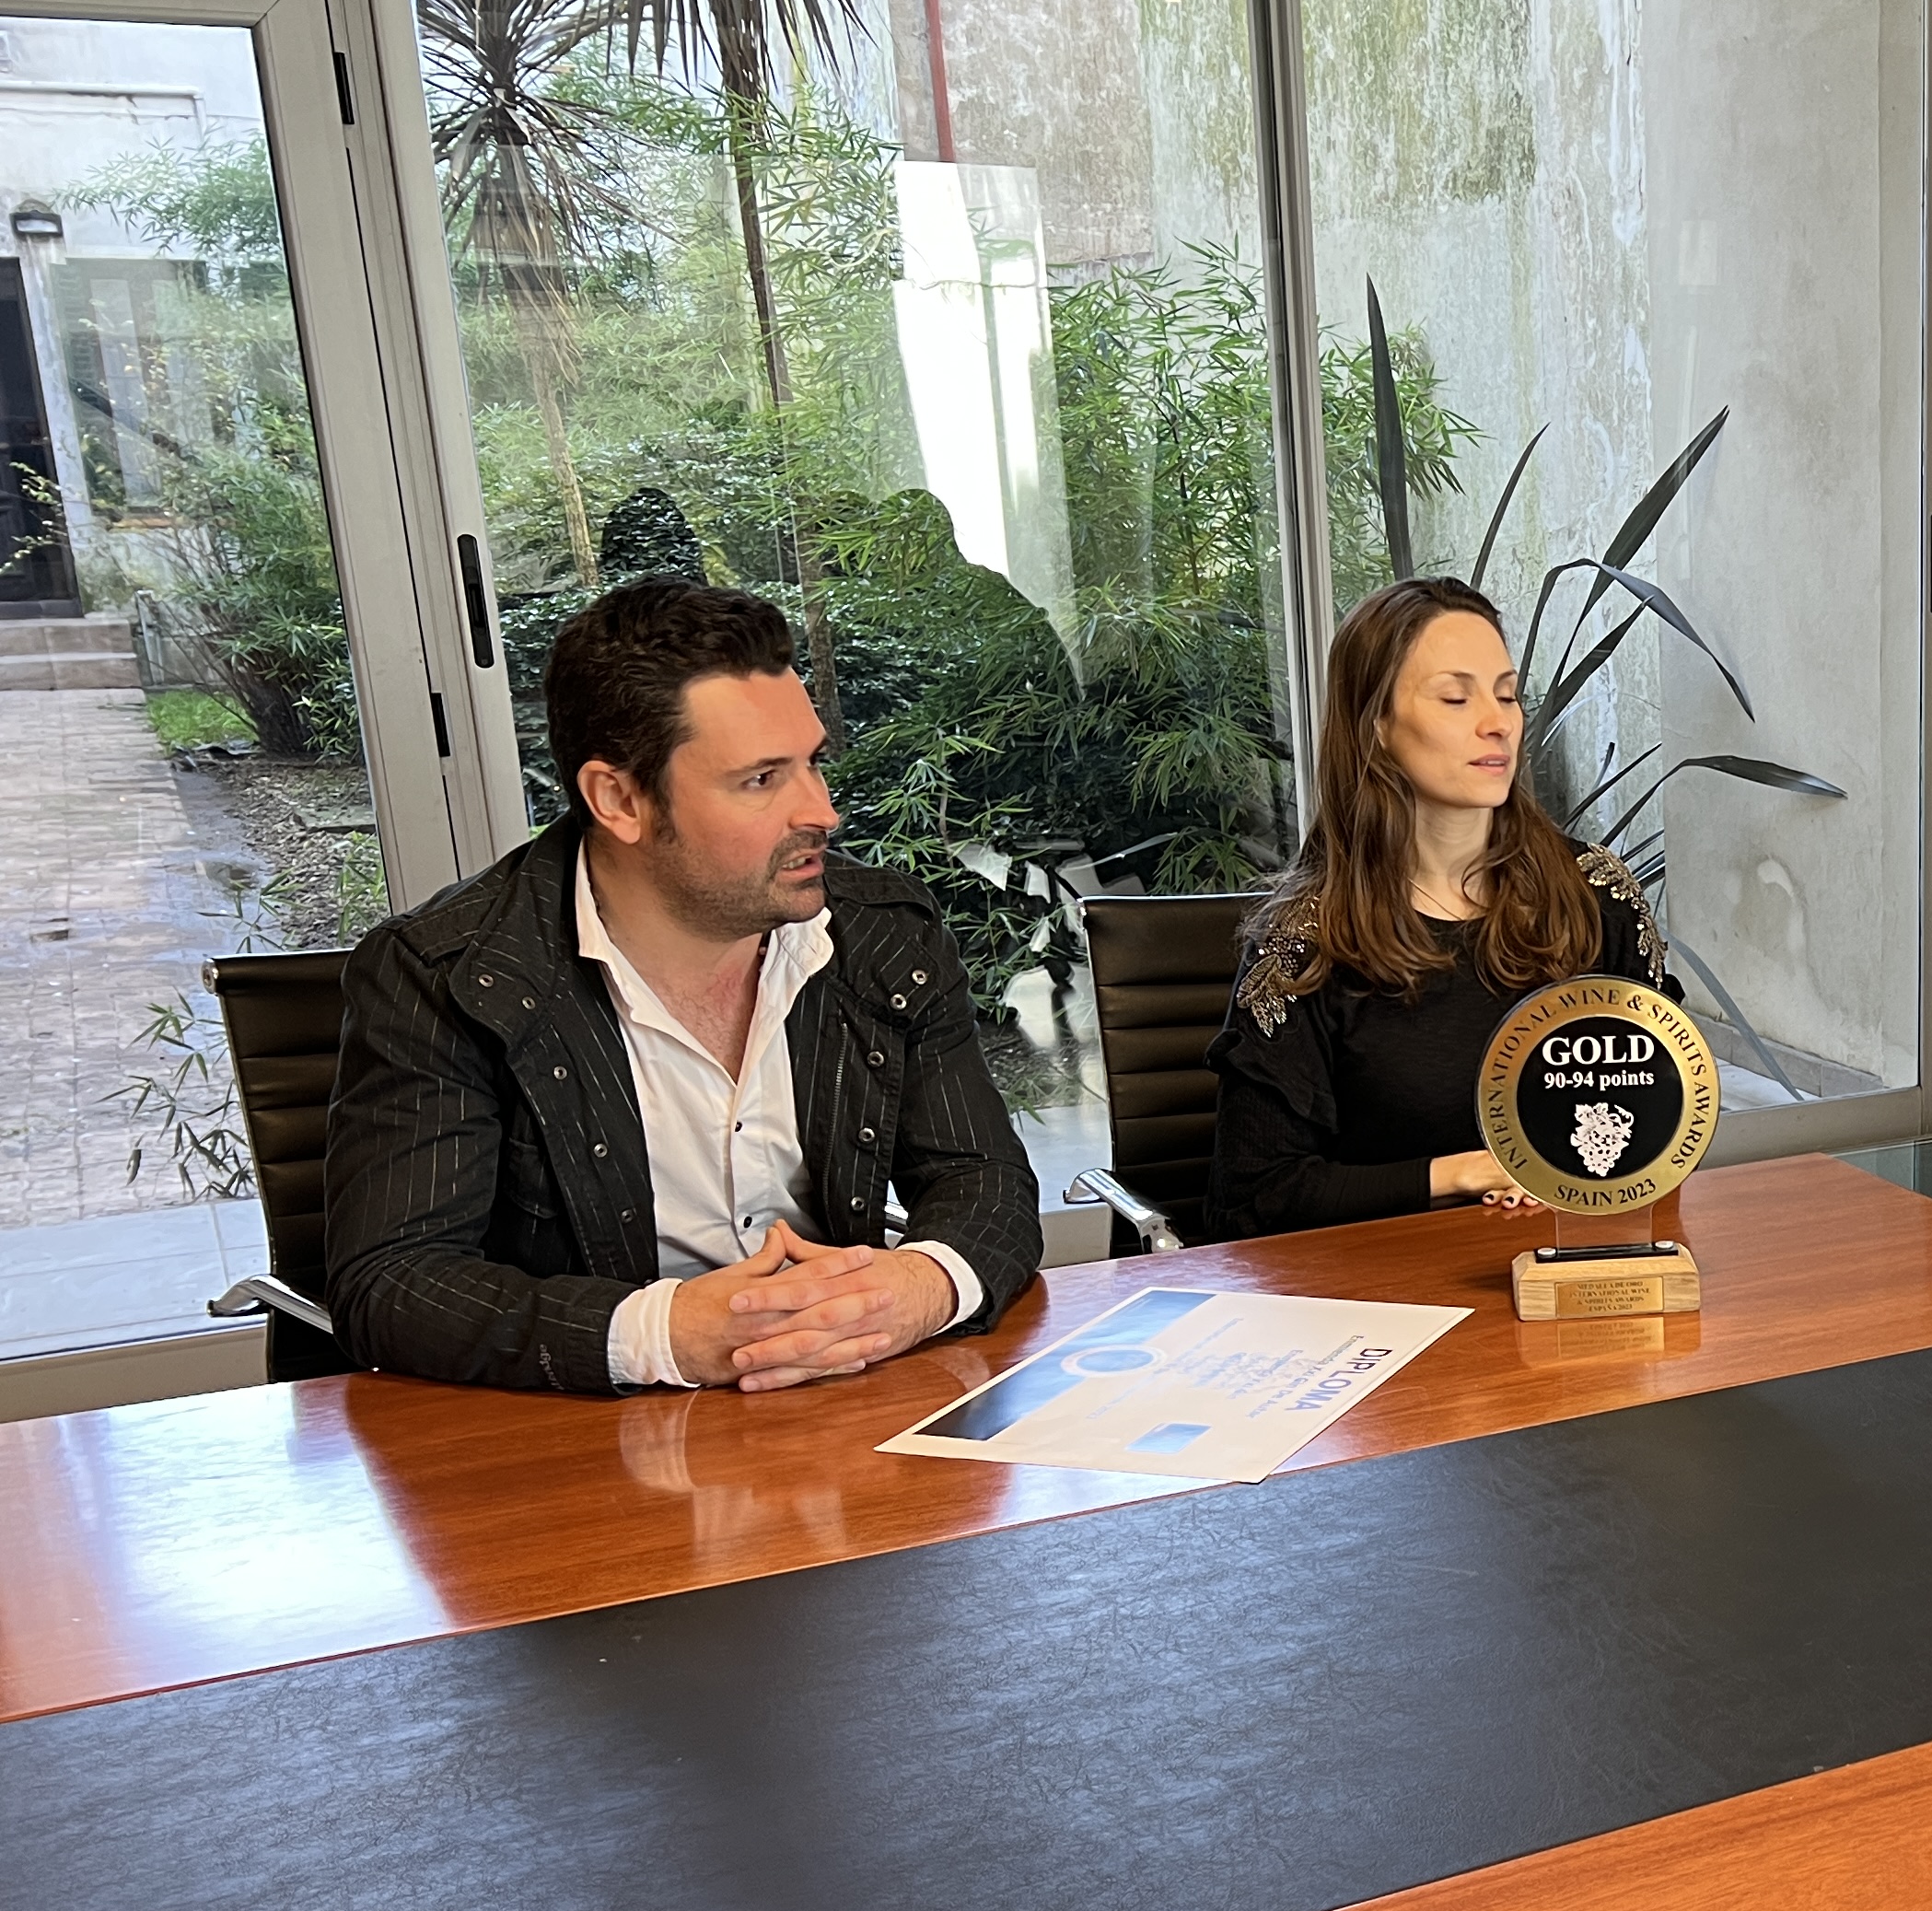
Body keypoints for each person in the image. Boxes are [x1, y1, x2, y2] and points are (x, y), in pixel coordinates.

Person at [326, 578, 1041, 1394]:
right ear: (619, 800)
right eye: (762, 780)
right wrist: (662, 1334)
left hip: (843, 1402)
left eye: (812, 764)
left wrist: (914, 1288)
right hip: (592, 1433)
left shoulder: (881, 931)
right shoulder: (444, 975)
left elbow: (984, 1180)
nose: (822, 811)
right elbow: (392, 1280)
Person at [1205, 577, 1665, 1237]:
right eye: (1456, 697)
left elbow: (1664, 1120)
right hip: (1387, 1280)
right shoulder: (1305, 943)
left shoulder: (1598, 896)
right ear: (1376, 727)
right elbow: (1253, 1199)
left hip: (1578, 1261)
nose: (1497, 722)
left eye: (1507, 695)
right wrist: (1463, 1173)